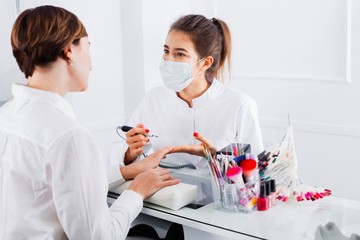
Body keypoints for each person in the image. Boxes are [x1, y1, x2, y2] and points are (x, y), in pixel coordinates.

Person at [0, 5, 179, 239]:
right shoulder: (67, 135)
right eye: (88, 47)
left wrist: (126, 171)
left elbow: (55, 189)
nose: (92, 64)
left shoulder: (7, 114)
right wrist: (137, 191)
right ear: (68, 52)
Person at [114, 14, 264, 203]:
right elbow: (122, 156)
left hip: (217, 212)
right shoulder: (153, 98)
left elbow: (256, 179)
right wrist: (130, 153)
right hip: (163, 205)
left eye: (180, 54)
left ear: (205, 63)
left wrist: (216, 157)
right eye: (166, 51)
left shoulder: (240, 105)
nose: (168, 59)